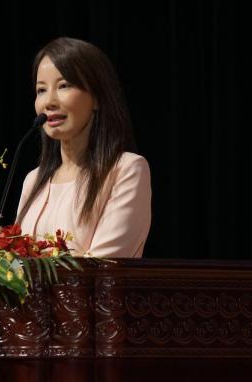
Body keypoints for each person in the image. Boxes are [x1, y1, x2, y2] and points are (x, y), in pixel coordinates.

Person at [16, 37, 151, 258]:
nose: (48, 102)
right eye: (41, 90)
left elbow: (104, 265)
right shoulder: (33, 180)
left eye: (63, 86)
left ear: (97, 97)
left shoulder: (126, 169)